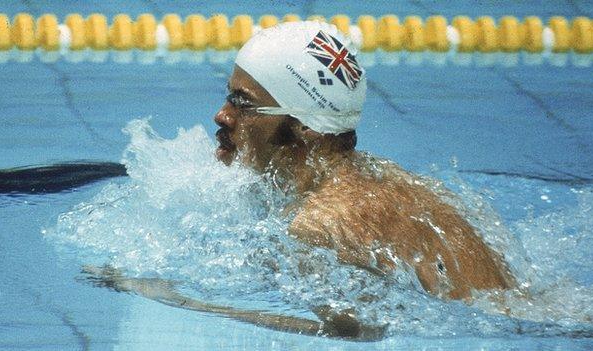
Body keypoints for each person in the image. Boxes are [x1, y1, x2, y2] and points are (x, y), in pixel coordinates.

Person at [214, 21, 514, 300]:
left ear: (307, 126)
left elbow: (357, 333)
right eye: (229, 96)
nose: (223, 115)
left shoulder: (321, 223)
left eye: (244, 103)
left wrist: (205, 307)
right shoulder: (385, 179)